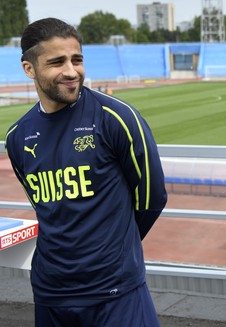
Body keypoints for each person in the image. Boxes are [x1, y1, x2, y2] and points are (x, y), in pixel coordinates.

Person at [4, 18, 167, 326]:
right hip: (51, 293)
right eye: (56, 62)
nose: (70, 71)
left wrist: (114, 249)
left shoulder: (116, 118)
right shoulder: (18, 137)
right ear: (29, 69)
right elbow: (46, 208)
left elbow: (152, 198)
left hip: (116, 293)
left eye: (76, 59)